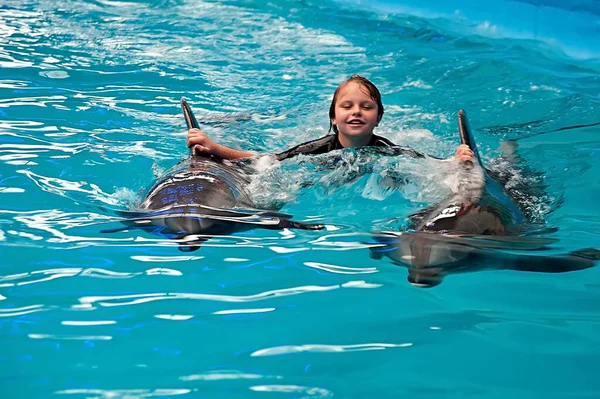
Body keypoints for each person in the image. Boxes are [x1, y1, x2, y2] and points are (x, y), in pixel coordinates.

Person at [186, 75, 474, 163]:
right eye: (347, 106)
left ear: (378, 118)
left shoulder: (387, 150)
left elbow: (428, 164)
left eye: (366, 106)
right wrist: (216, 148)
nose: (356, 111)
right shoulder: (316, 149)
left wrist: (455, 160)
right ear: (334, 118)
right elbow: (269, 160)